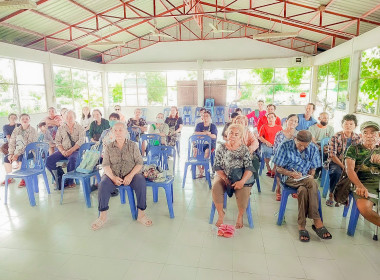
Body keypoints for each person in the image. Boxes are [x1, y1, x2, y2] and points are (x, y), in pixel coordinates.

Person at [91, 122, 152, 230]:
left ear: (125, 132)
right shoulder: (109, 147)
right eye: (115, 130)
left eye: (120, 130)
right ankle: (102, 216)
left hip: (131, 173)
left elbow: (139, 163)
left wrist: (130, 176)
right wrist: (113, 178)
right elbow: (105, 165)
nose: (118, 133)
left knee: (141, 181)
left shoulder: (133, 145)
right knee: (103, 184)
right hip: (113, 174)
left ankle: (141, 214)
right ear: (112, 133)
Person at [273, 130, 332, 242]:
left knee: (303, 190)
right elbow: (278, 168)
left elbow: (313, 169)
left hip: (304, 178)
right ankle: (317, 220)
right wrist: (291, 173)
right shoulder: (285, 146)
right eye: (299, 145)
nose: (302, 148)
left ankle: (301, 225)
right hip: (289, 177)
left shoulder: (313, 148)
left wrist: (311, 175)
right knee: (311, 183)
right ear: (295, 139)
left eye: (305, 146)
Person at [212, 124, 255, 229]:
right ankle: (221, 213)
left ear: (240, 137)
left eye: (236, 134)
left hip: (240, 176)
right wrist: (226, 179)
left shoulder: (244, 149)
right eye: (231, 133)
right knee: (216, 187)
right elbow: (217, 167)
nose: (233, 136)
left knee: (244, 193)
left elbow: (249, 168)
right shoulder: (221, 147)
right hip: (224, 175)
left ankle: (240, 216)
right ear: (227, 133)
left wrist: (242, 181)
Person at [346, 121, 380, 228]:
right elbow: (349, 169)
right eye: (365, 132)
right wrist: (359, 185)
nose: (369, 135)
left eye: (373, 132)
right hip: (363, 183)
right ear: (361, 136)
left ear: (378, 135)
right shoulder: (354, 149)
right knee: (365, 208)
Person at [326, 114, 361, 207]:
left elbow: (359, 154)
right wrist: (343, 166)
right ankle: (332, 195)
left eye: (351, 124)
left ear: (355, 126)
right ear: (342, 125)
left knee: (358, 174)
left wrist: (350, 167)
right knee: (336, 172)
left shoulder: (357, 138)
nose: (348, 126)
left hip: (352, 163)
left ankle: (343, 196)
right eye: (346, 124)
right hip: (337, 162)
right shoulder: (336, 136)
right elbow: (332, 155)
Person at [46, 110, 85, 189]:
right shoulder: (61, 128)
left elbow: (81, 141)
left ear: (75, 117)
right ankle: (60, 176)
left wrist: (70, 150)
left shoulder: (80, 127)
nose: (69, 119)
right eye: (67, 117)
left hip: (76, 151)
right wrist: (63, 151)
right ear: (64, 118)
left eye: (71, 117)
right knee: (48, 160)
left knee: (72, 158)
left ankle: (70, 181)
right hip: (63, 150)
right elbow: (57, 141)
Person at [2, 113, 38, 187]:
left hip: (30, 151)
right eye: (22, 119)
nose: (25, 120)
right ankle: (10, 178)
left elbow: (28, 145)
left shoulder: (32, 130)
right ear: (19, 121)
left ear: (29, 120)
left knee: (22, 157)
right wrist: (11, 153)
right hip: (17, 151)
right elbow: (12, 142)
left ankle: (24, 179)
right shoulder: (16, 130)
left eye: (26, 119)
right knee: (6, 158)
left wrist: (17, 154)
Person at [273, 114, 299, 200]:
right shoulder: (279, 134)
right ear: (286, 121)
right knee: (279, 166)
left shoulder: (299, 135)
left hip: (294, 159)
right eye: (291, 120)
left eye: (295, 121)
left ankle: (294, 188)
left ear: (297, 124)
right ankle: (278, 189)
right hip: (281, 158)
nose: (293, 122)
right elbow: (275, 149)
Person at [194, 110, 218, 178]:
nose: (205, 117)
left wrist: (202, 135)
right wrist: (206, 133)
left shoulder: (213, 126)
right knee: (195, 151)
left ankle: (203, 168)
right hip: (199, 143)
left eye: (207, 116)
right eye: (204, 116)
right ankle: (200, 169)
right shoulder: (199, 125)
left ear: (210, 117)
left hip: (210, 144)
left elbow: (214, 136)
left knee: (207, 151)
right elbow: (196, 133)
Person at [258, 113, 283, 177]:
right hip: (267, 143)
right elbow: (260, 137)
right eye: (269, 117)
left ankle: (274, 169)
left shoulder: (279, 127)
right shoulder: (264, 126)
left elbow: (282, 137)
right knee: (267, 151)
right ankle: (268, 167)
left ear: (275, 118)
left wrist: (277, 144)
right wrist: (266, 142)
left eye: (272, 117)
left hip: (276, 144)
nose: (270, 119)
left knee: (279, 152)